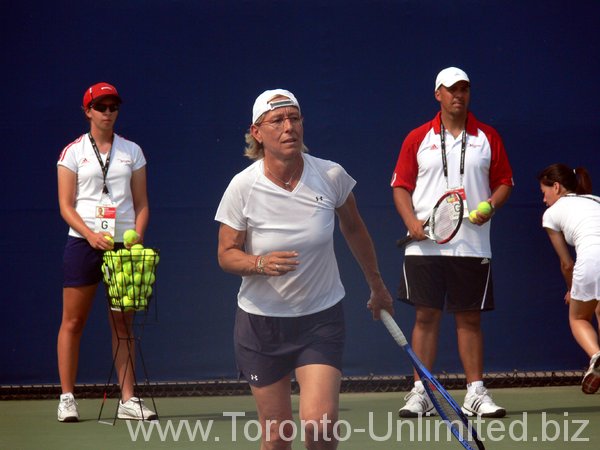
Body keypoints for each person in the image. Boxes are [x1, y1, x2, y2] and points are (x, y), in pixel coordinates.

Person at [215, 89, 394, 449]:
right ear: (257, 132)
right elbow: (226, 254)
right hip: (260, 324)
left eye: (294, 118)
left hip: (320, 320)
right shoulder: (242, 187)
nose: (288, 127)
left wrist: (377, 286)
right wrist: (259, 263)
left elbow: (355, 228)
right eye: (277, 120)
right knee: (277, 435)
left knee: (320, 425)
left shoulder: (330, 175)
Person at [390, 67, 513, 418]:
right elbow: (400, 186)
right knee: (426, 317)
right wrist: (411, 222)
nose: (459, 95)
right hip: (425, 247)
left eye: (464, 89)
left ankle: (475, 393)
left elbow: (504, 181)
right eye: (451, 89)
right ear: (438, 95)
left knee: (469, 319)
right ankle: (423, 393)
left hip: (472, 246)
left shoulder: (487, 137)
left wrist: (491, 204)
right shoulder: (417, 138)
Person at [56, 82, 156, 422]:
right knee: (73, 321)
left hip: (122, 249)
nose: (108, 112)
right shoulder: (72, 153)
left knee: (122, 324)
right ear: (88, 111)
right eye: (101, 107)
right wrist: (89, 234)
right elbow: (66, 206)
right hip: (83, 243)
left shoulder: (132, 151)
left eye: (113, 107)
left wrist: (136, 237)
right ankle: (67, 397)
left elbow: (142, 205)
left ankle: (128, 400)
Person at [537, 163, 600, 394]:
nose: (544, 200)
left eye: (544, 193)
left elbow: (567, 263)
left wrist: (571, 289)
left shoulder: (551, 214)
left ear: (556, 187)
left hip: (591, 261)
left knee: (578, 318)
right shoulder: (596, 200)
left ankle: (596, 357)